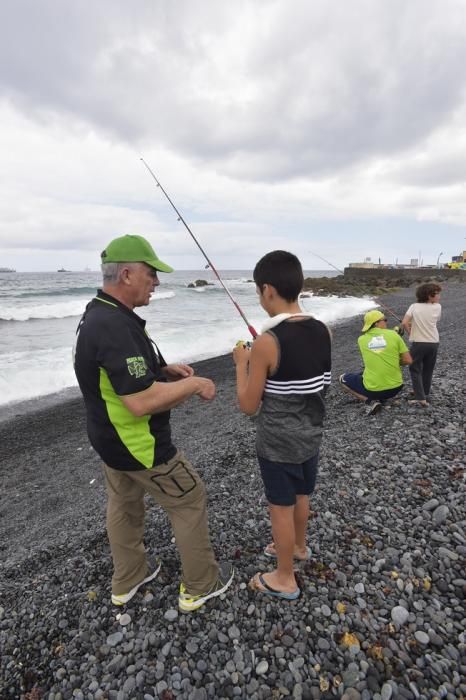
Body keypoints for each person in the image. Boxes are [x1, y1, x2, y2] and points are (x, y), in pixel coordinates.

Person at [74, 234, 233, 612]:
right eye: (151, 273)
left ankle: (127, 579)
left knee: (125, 504)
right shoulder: (114, 326)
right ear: (127, 274)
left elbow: (112, 371)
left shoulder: (98, 313)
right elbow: (139, 402)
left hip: (107, 440)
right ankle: (200, 585)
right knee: (189, 498)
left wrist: (161, 368)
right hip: (139, 443)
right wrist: (194, 384)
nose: (157, 281)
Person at [232, 250, 331, 600]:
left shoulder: (265, 343)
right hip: (311, 437)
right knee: (302, 495)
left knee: (281, 509)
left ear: (267, 291)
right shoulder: (324, 331)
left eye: (259, 292)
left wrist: (242, 363)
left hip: (277, 444)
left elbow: (247, 405)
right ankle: (300, 547)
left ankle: (284, 577)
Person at [339, 309, 412, 415]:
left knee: (342, 378)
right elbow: (408, 360)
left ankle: (369, 401)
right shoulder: (394, 335)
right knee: (366, 372)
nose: (386, 322)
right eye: (384, 320)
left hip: (374, 390)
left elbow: (378, 342)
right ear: (376, 323)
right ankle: (383, 398)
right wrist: (394, 360)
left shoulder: (361, 340)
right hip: (396, 388)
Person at [401, 282, 442, 406]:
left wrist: (410, 332)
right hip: (434, 342)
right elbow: (433, 321)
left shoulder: (414, 306)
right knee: (428, 369)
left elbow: (404, 323)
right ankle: (424, 393)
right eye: (437, 294)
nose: (439, 296)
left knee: (415, 369)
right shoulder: (438, 307)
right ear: (429, 296)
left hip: (419, 343)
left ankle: (420, 398)